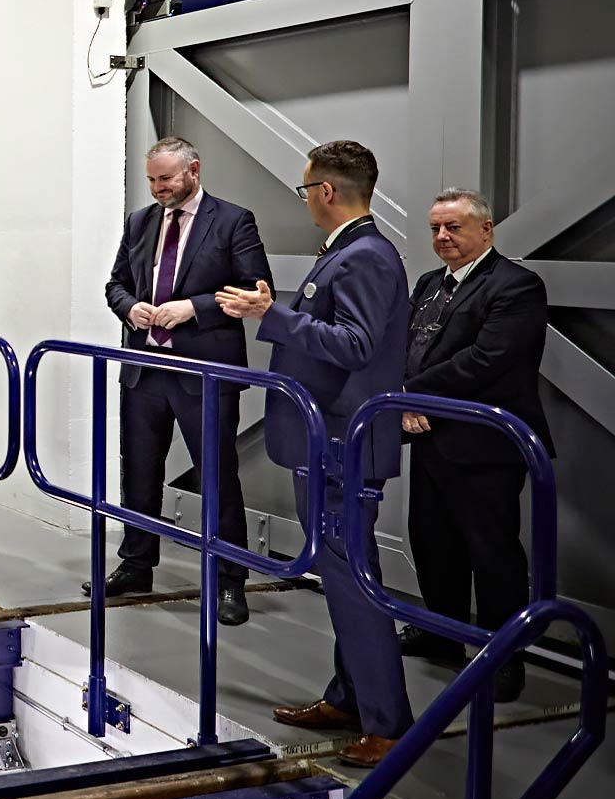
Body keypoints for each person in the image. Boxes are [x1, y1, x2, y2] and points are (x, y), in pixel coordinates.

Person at [217, 139, 412, 767]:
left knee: (355, 582)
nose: (305, 201)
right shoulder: (350, 253)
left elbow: (354, 343)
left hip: (341, 444)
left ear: (326, 192)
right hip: (325, 440)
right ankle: (349, 697)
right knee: (337, 576)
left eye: (306, 191)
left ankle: (388, 721)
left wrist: (270, 315)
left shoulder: (366, 258)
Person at [96, 137, 271, 626]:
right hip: (145, 367)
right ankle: (136, 564)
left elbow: (257, 291)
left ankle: (230, 580)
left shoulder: (234, 221)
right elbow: (115, 283)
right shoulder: (140, 222)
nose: (157, 189)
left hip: (204, 374)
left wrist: (193, 308)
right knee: (140, 472)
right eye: (152, 180)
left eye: (166, 179)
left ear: (194, 170)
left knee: (218, 477)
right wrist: (130, 306)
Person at [398, 188, 553, 703]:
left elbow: (488, 359)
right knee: (431, 539)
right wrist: (406, 396)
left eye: (454, 227)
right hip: (430, 436)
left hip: (486, 444)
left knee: (492, 552)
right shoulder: (428, 284)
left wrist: (413, 394)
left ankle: (503, 654)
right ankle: (441, 632)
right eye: (436, 229)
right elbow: (408, 348)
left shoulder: (516, 286)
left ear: (485, 230)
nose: (443, 237)